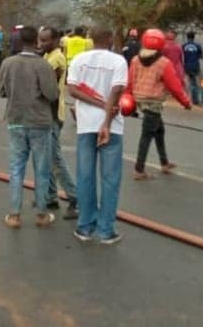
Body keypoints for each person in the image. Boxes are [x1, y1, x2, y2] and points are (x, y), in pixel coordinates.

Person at [66, 27, 128, 245]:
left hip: (85, 125)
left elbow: (72, 90)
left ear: (91, 40)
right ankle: (106, 230)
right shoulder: (118, 61)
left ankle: (84, 226)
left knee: (85, 175)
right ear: (110, 38)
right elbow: (117, 91)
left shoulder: (79, 60)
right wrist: (107, 121)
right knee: (110, 179)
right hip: (112, 127)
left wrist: (97, 106)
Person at [0, 25, 59, 228]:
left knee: (16, 168)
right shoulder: (43, 65)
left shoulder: (8, 63)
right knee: (41, 169)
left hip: (16, 121)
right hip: (40, 122)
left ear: (19, 42)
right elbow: (52, 94)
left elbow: (1, 92)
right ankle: (41, 214)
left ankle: (14, 215)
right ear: (36, 42)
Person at [130, 29, 192, 180]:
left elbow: (130, 80)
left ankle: (164, 162)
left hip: (140, 98)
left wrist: (129, 98)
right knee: (146, 135)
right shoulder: (164, 63)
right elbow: (175, 86)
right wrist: (186, 102)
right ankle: (139, 169)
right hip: (154, 102)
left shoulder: (135, 60)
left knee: (159, 131)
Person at [39, 26, 77, 220]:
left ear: (55, 40)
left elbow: (47, 89)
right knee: (47, 156)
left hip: (53, 114)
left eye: (45, 40)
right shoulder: (48, 57)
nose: (41, 44)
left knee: (55, 157)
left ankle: (75, 197)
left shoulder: (57, 59)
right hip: (48, 113)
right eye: (40, 40)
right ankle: (51, 196)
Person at [181, 31, 203, 105]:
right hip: (196, 66)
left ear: (187, 37)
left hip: (187, 66)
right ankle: (200, 100)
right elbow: (201, 57)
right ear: (194, 37)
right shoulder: (198, 46)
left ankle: (188, 100)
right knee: (198, 84)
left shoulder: (183, 46)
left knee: (188, 84)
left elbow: (182, 56)